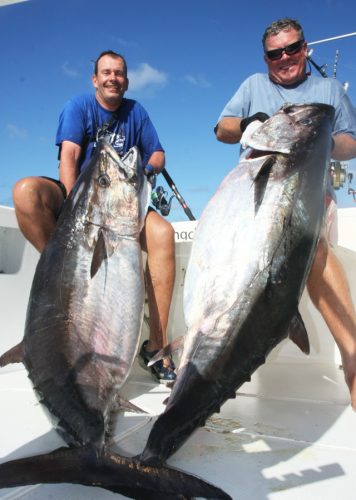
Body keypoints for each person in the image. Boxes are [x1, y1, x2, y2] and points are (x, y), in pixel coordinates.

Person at [215, 18, 356, 409]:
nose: (285, 58)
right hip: (253, 200)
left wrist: (318, 136)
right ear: (266, 58)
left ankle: (353, 359)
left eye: (292, 48)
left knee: (311, 249)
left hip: (308, 194)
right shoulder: (253, 87)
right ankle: (214, 352)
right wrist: (246, 125)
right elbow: (221, 128)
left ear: (306, 48)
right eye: (276, 53)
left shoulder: (327, 90)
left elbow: (351, 141)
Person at [12, 50, 176, 384]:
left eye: (119, 73)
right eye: (106, 72)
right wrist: (78, 212)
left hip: (123, 201)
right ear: (95, 79)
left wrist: (146, 168)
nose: (113, 78)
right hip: (81, 199)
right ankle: (69, 279)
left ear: (126, 81)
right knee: (25, 191)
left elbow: (158, 152)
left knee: (163, 234)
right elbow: (69, 157)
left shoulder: (136, 112)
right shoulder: (78, 106)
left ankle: (156, 346)